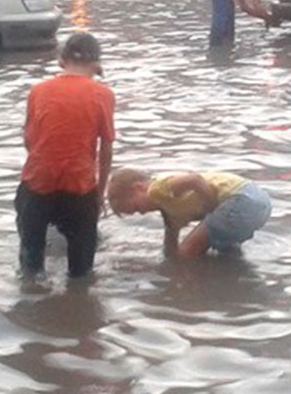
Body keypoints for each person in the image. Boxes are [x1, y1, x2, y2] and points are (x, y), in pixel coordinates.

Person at [15, 32, 115, 279]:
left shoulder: (38, 91)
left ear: (61, 61)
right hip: (79, 187)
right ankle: (79, 309)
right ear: (96, 64)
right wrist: (99, 195)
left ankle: (33, 304)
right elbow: (107, 150)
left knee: (30, 269)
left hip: (37, 185)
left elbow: (29, 140)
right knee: (82, 274)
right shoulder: (102, 94)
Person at [107, 168, 271, 259]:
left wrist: (210, 207)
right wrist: (168, 259)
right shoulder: (170, 213)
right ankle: (228, 283)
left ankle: (189, 292)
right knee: (225, 252)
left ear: (139, 188)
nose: (142, 212)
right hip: (259, 203)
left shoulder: (157, 189)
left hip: (240, 200)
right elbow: (170, 245)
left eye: (136, 206)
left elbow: (195, 180)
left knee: (187, 252)